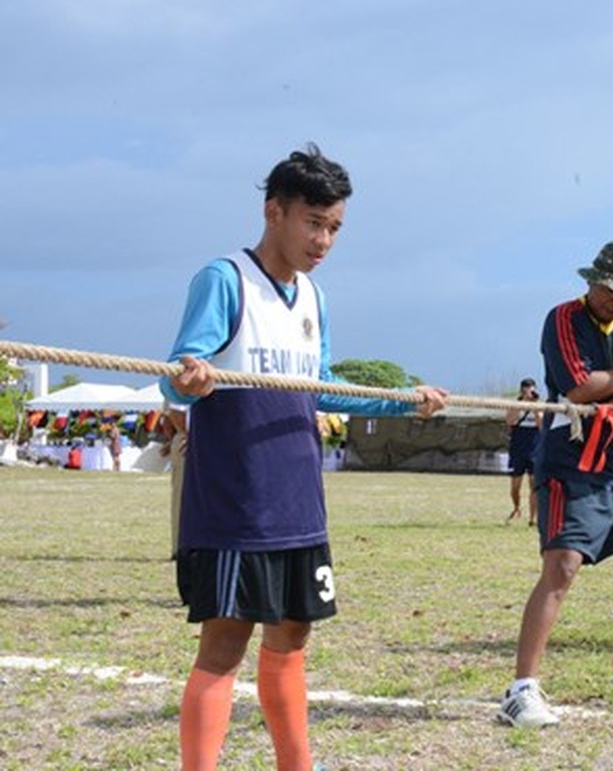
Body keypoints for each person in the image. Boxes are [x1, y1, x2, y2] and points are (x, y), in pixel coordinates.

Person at [161, 144, 448, 771]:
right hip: (236, 505)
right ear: (274, 212)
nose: (323, 240)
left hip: (299, 503)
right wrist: (189, 380)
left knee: (292, 637)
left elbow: (321, 385)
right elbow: (174, 376)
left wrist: (405, 402)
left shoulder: (314, 298)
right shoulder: (225, 279)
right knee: (224, 647)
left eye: (335, 227)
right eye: (313, 223)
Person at [498, 242, 613, 729]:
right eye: (607, 289)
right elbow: (579, 387)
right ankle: (521, 690)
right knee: (561, 570)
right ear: (591, 282)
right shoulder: (562, 318)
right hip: (567, 462)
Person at [505, 378, 542, 526]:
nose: (529, 392)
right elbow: (510, 421)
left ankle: (533, 518)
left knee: (534, 484)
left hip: (535, 447)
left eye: (531, 389)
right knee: (515, 486)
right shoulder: (515, 404)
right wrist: (521, 405)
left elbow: (542, 425)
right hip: (518, 447)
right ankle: (516, 507)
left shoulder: (539, 405)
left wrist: (534, 406)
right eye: (526, 389)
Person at [159, 403, 190, 560]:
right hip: (189, 439)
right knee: (183, 496)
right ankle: (183, 547)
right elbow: (175, 409)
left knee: (181, 496)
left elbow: (169, 417)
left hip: (186, 437)